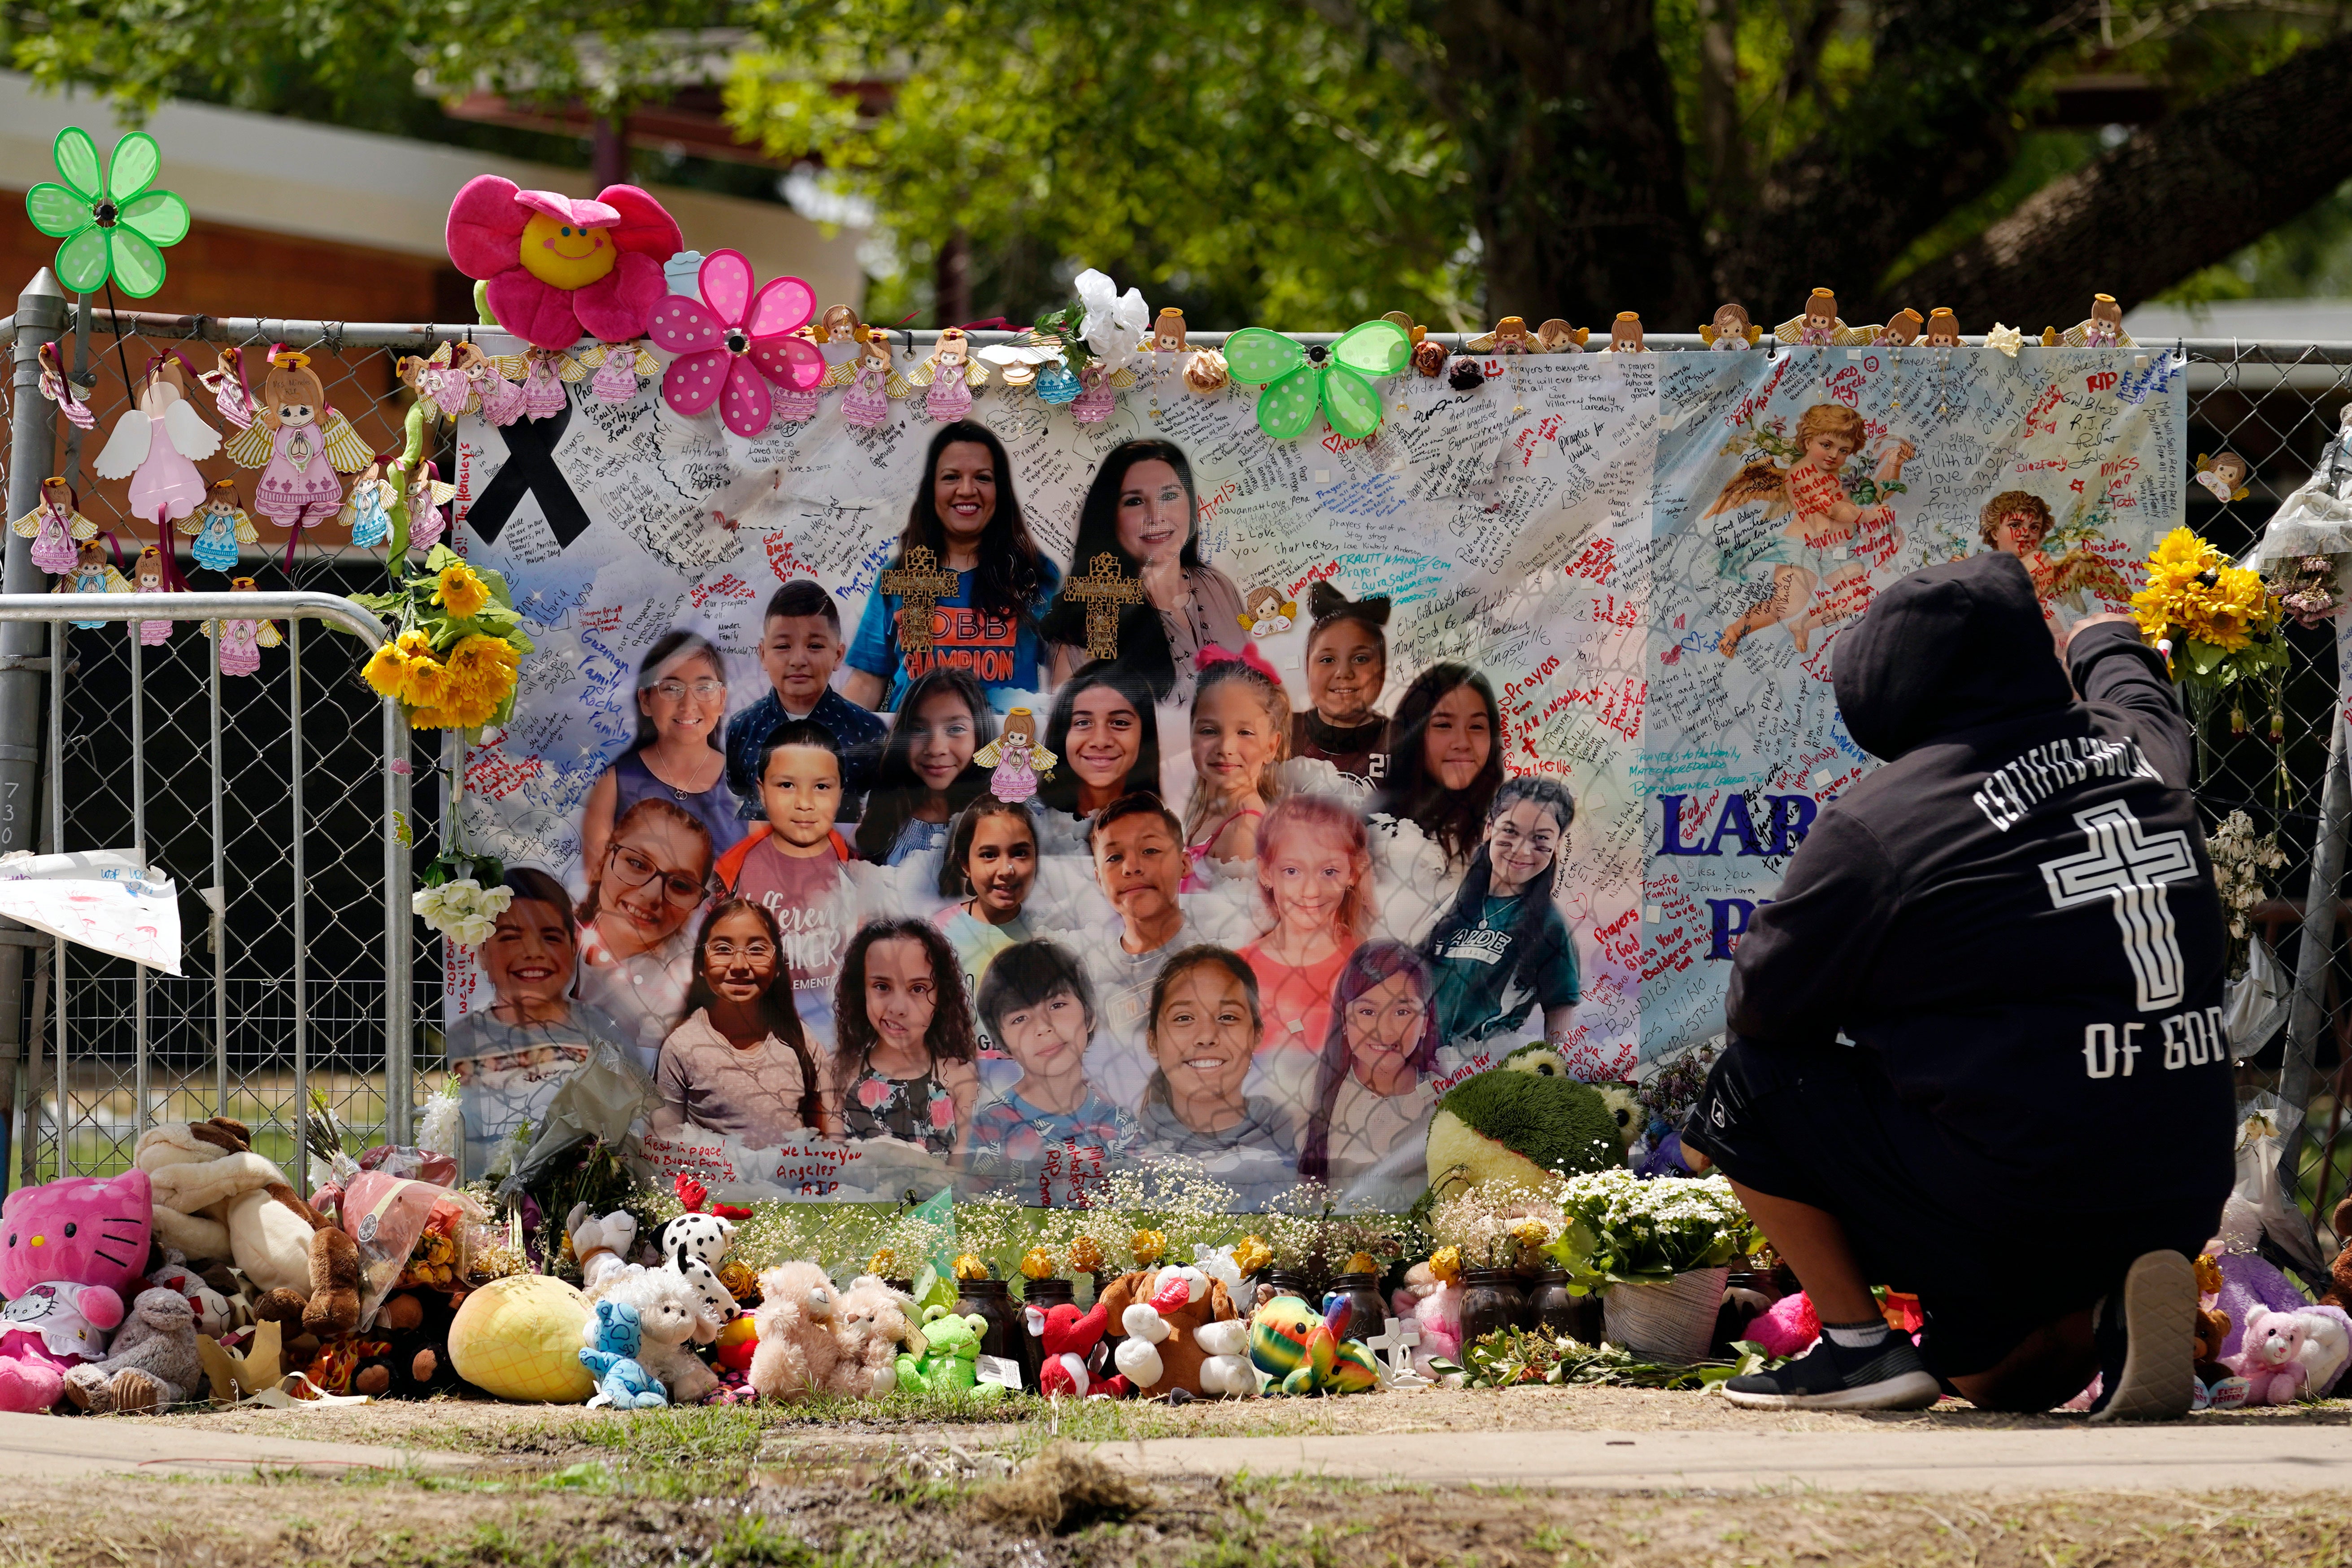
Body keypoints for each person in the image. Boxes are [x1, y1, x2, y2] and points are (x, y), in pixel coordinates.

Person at [1686, 553, 2231, 1419]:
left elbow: (1762, 1006)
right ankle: (2105, 1307)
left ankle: (1859, 1350)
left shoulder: (1883, 820)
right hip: (2183, 1177)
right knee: (1980, 1375)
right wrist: (2101, 639)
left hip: (2023, 1191)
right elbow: (2137, 690)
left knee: (1745, 1084)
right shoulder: (2140, 753)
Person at [842, 420, 1059, 710]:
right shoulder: (900, 575)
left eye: (983, 478)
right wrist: (828, 740)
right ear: (931, 489)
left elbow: (1067, 669)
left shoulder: (1036, 574)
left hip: (1009, 749)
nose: (967, 490)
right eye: (951, 477)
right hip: (916, 749)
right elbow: (867, 683)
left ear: (1001, 490)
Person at [444, 868, 640, 1180]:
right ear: (482, 950)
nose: (534, 952)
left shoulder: (601, 1032)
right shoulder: (460, 1040)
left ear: (574, 945)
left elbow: (636, 1120)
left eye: (550, 937)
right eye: (510, 938)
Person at [1038, 439, 1245, 703]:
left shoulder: (1217, 586)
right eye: (1135, 501)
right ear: (1109, 517)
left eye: (1169, 496)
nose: (1156, 517)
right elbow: (1071, 731)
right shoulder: (1094, 613)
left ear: (1190, 505)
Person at [652, 899, 837, 1148]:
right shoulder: (681, 1047)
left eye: (757, 950)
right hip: (717, 1186)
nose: (740, 966)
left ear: (778, 966)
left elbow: (828, 1139)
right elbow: (666, 1144)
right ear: (701, 965)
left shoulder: (803, 1042)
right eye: (723, 949)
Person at [714, 723, 859, 1033]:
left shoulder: (861, 872)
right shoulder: (728, 877)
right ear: (761, 790)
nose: (804, 803)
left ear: (840, 792)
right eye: (786, 786)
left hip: (837, 1040)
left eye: (821, 787)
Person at [966, 940, 1138, 1201]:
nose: (1043, 1027)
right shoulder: (989, 1128)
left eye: (1057, 1006)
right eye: (1020, 1018)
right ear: (1003, 1044)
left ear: (1089, 1015)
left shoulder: (1121, 1124)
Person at [1420, 776, 1580, 1048]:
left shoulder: (1550, 926)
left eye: (1540, 838)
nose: (1522, 850)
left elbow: (1559, 1019)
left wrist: (1553, 1075)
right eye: (1511, 832)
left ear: (1556, 845)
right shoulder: (1450, 906)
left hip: (1485, 1071)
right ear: (1489, 829)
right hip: (1422, 1070)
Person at [1132, 945, 1297, 1197]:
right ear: (1153, 1041)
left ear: (1257, 1035)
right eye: (1184, 1018)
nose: (1207, 1036)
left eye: (1228, 1017)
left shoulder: (1300, 1136)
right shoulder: (1125, 1145)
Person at [582, 630, 744, 875]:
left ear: (722, 699)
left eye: (704, 687)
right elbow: (597, 890)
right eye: (671, 688)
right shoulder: (613, 784)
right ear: (646, 700)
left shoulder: (748, 783)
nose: (688, 705)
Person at [1296, 941, 1443, 1211]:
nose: (1384, 1030)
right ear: (1344, 1018)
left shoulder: (1443, 1099)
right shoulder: (1311, 1092)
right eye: (1367, 1012)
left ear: (1425, 1023)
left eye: (1402, 1012)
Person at [1078, 793, 1203, 1108]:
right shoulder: (1087, 977)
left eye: (1150, 851)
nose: (1132, 867)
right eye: (1114, 858)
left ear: (1185, 863)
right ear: (1098, 879)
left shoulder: (1216, 959)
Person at [724, 580, 886, 817]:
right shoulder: (743, 727)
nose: (798, 659)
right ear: (762, 654)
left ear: (838, 655)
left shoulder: (868, 730)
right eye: (783, 646)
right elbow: (738, 790)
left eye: (814, 646)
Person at [576, 797, 714, 1069]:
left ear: (695, 905)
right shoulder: (552, 931)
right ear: (605, 858)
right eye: (638, 864)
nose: (652, 895)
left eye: (681, 885)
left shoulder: (683, 989)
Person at [832, 919, 980, 1161]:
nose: (899, 1008)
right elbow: (833, 1168)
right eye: (882, 986)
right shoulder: (838, 1072)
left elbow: (960, 1174)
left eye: (918, 989)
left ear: (942, 994)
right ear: (861, 991)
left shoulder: (960, 1076)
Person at [1239, 793, 1372, 1058]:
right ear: (1267, 872)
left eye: (1329, 872)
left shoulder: (1371, 968)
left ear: (1353, 873)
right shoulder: (1234, 973)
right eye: (1292, 871)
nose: (1311, 891)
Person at [852, 668, 998, 865]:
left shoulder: (1008, 814)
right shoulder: (881, 812)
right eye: (919, 730)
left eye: (956, 729)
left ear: (980, 734)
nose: (936, 748)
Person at [1375, 664, 1503, 873]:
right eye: (1444, 725)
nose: (1463, 743)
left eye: (1477, 727)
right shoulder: (1374, 834)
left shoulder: (1509, 828)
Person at [1183, 645, 1288, 886]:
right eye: (1209, 731)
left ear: (1271, 747)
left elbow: (1236, 922)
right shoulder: (1204, 811)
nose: (1226, 747)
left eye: (1245, 732)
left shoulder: (1244, 832)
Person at [1034, 660, 1162, 854]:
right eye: (1083, 722)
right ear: (1063, 735)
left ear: (1144, 737)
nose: (1101, 741)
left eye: (1120, 723)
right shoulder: (1028, 825)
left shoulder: (1166, 830)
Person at [933, 796, 1041, 999]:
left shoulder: (1048, 931)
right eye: (989, 855)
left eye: (1019, 853)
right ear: (966, 864)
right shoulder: (939, 932)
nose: (1006, 870)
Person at [1290, 583, 1392, 784]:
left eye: (1361, 659)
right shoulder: (1281, 733)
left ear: (1382, 670)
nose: (1344, 673)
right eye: (1328, 660)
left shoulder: (1405, 741)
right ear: (1307, 668)